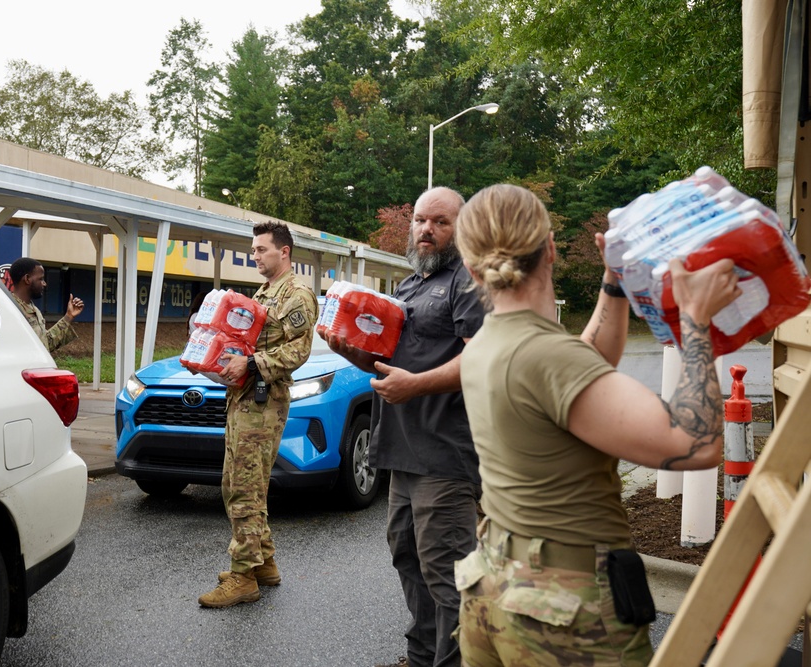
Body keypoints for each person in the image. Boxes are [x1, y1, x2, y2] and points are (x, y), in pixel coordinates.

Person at [452, 184, 741, 666]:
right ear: (550, 249)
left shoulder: (487, 345)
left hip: (494, 587)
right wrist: (695, 320)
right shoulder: (547, 356)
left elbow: (581, 367)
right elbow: (696, 444)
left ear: (469, 267)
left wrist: (614, 282)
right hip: (564, 612)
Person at [322, 186, 485, 667]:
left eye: (439, 221)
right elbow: (388, 361)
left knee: (447, 571)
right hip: (401, 450)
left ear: (461, 228)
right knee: (408, 559)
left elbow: (481, 358)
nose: (426, 230)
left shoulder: (468, 281)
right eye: (419, 220)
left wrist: (416, 386)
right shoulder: (410, 286)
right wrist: (348, 351)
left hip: (445, 453)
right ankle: (421, 657)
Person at [198, 222, 318, 609]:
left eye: (262, 249)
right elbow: (244, 341)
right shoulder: (264, 293)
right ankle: (263, 562)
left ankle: (243, 575)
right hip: (244, 398)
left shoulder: (297, 295)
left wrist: (250, 364)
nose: (255, 256)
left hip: (264, 401)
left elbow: (299, 352)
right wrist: (211, 359)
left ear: (284, 252)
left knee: (243, 487)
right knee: (241, 478)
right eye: (253, 250)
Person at [9, 257, 84, 354]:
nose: (44, 283)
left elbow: (45, 344)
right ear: (27, 279)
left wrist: (68, 316)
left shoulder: (33, 309)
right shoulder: (11, 310)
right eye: (41, 279)